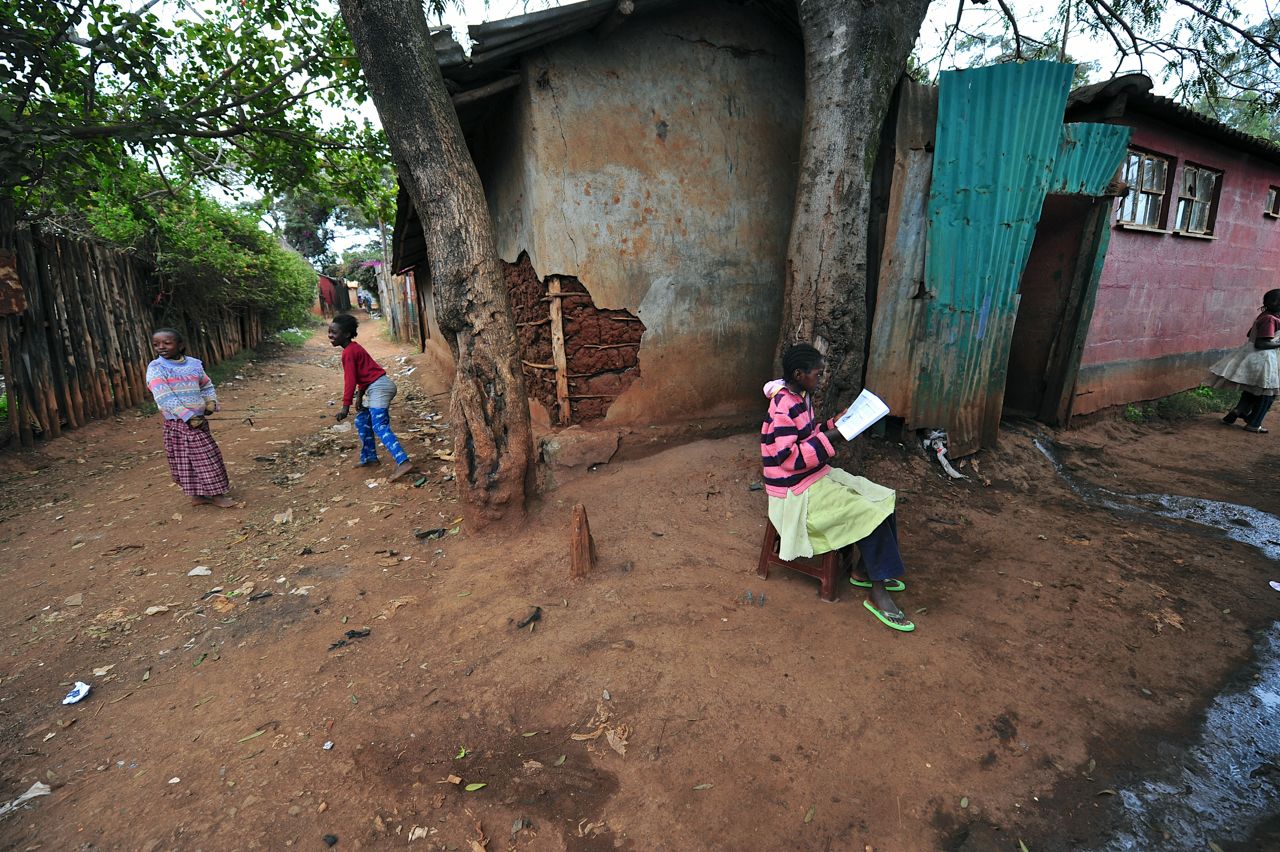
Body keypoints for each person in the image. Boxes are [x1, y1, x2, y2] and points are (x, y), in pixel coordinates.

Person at [761, 343, 913, 632]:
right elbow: (789, 457)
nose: (821, 378)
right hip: (795, 492)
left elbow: (809, 434)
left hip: (814, 477)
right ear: (798, 374)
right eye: (817, 374)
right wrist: (837, 435)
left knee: (882, 498)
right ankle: (877, 591)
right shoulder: (783, 406)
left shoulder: (801, 396)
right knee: (870, 513)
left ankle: (864, 570)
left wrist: (835, 423)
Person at [145, 328, 236, 508]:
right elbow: (163, 396)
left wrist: (211, 402)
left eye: (167, 343)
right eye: (156, 344)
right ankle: (217, 496)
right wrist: (187, 416)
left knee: (192, 458)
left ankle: (198, 495)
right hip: (179, 423)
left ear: (180, 345)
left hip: (199, 420)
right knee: (203, 457)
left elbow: (206, 385)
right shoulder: (156, 368)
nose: (161, 347)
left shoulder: (194, 364)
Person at [328, 313, 414, 481]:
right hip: (375, 386)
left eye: (334, 332)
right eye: (329, 331)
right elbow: (364, 374)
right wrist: (360, 396)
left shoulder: (349, 352)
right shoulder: (353, 349)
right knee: (362, 421)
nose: (330, 335)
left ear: (346, 334)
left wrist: (346, 406)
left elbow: (350, 380)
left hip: (379, 387)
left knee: (380, 426)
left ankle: (403, 462)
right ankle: (369, 457)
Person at [1210, 289, 1280, 433]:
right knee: (1268, 393)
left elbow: (1250, 333)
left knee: (1253, 389)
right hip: (1263, 358)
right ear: (1276, 303)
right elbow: (1261, 343)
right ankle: (1254, 424)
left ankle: (1238, 410)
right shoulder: (1270, 319)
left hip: (1253, 357)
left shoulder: (1265, 316)